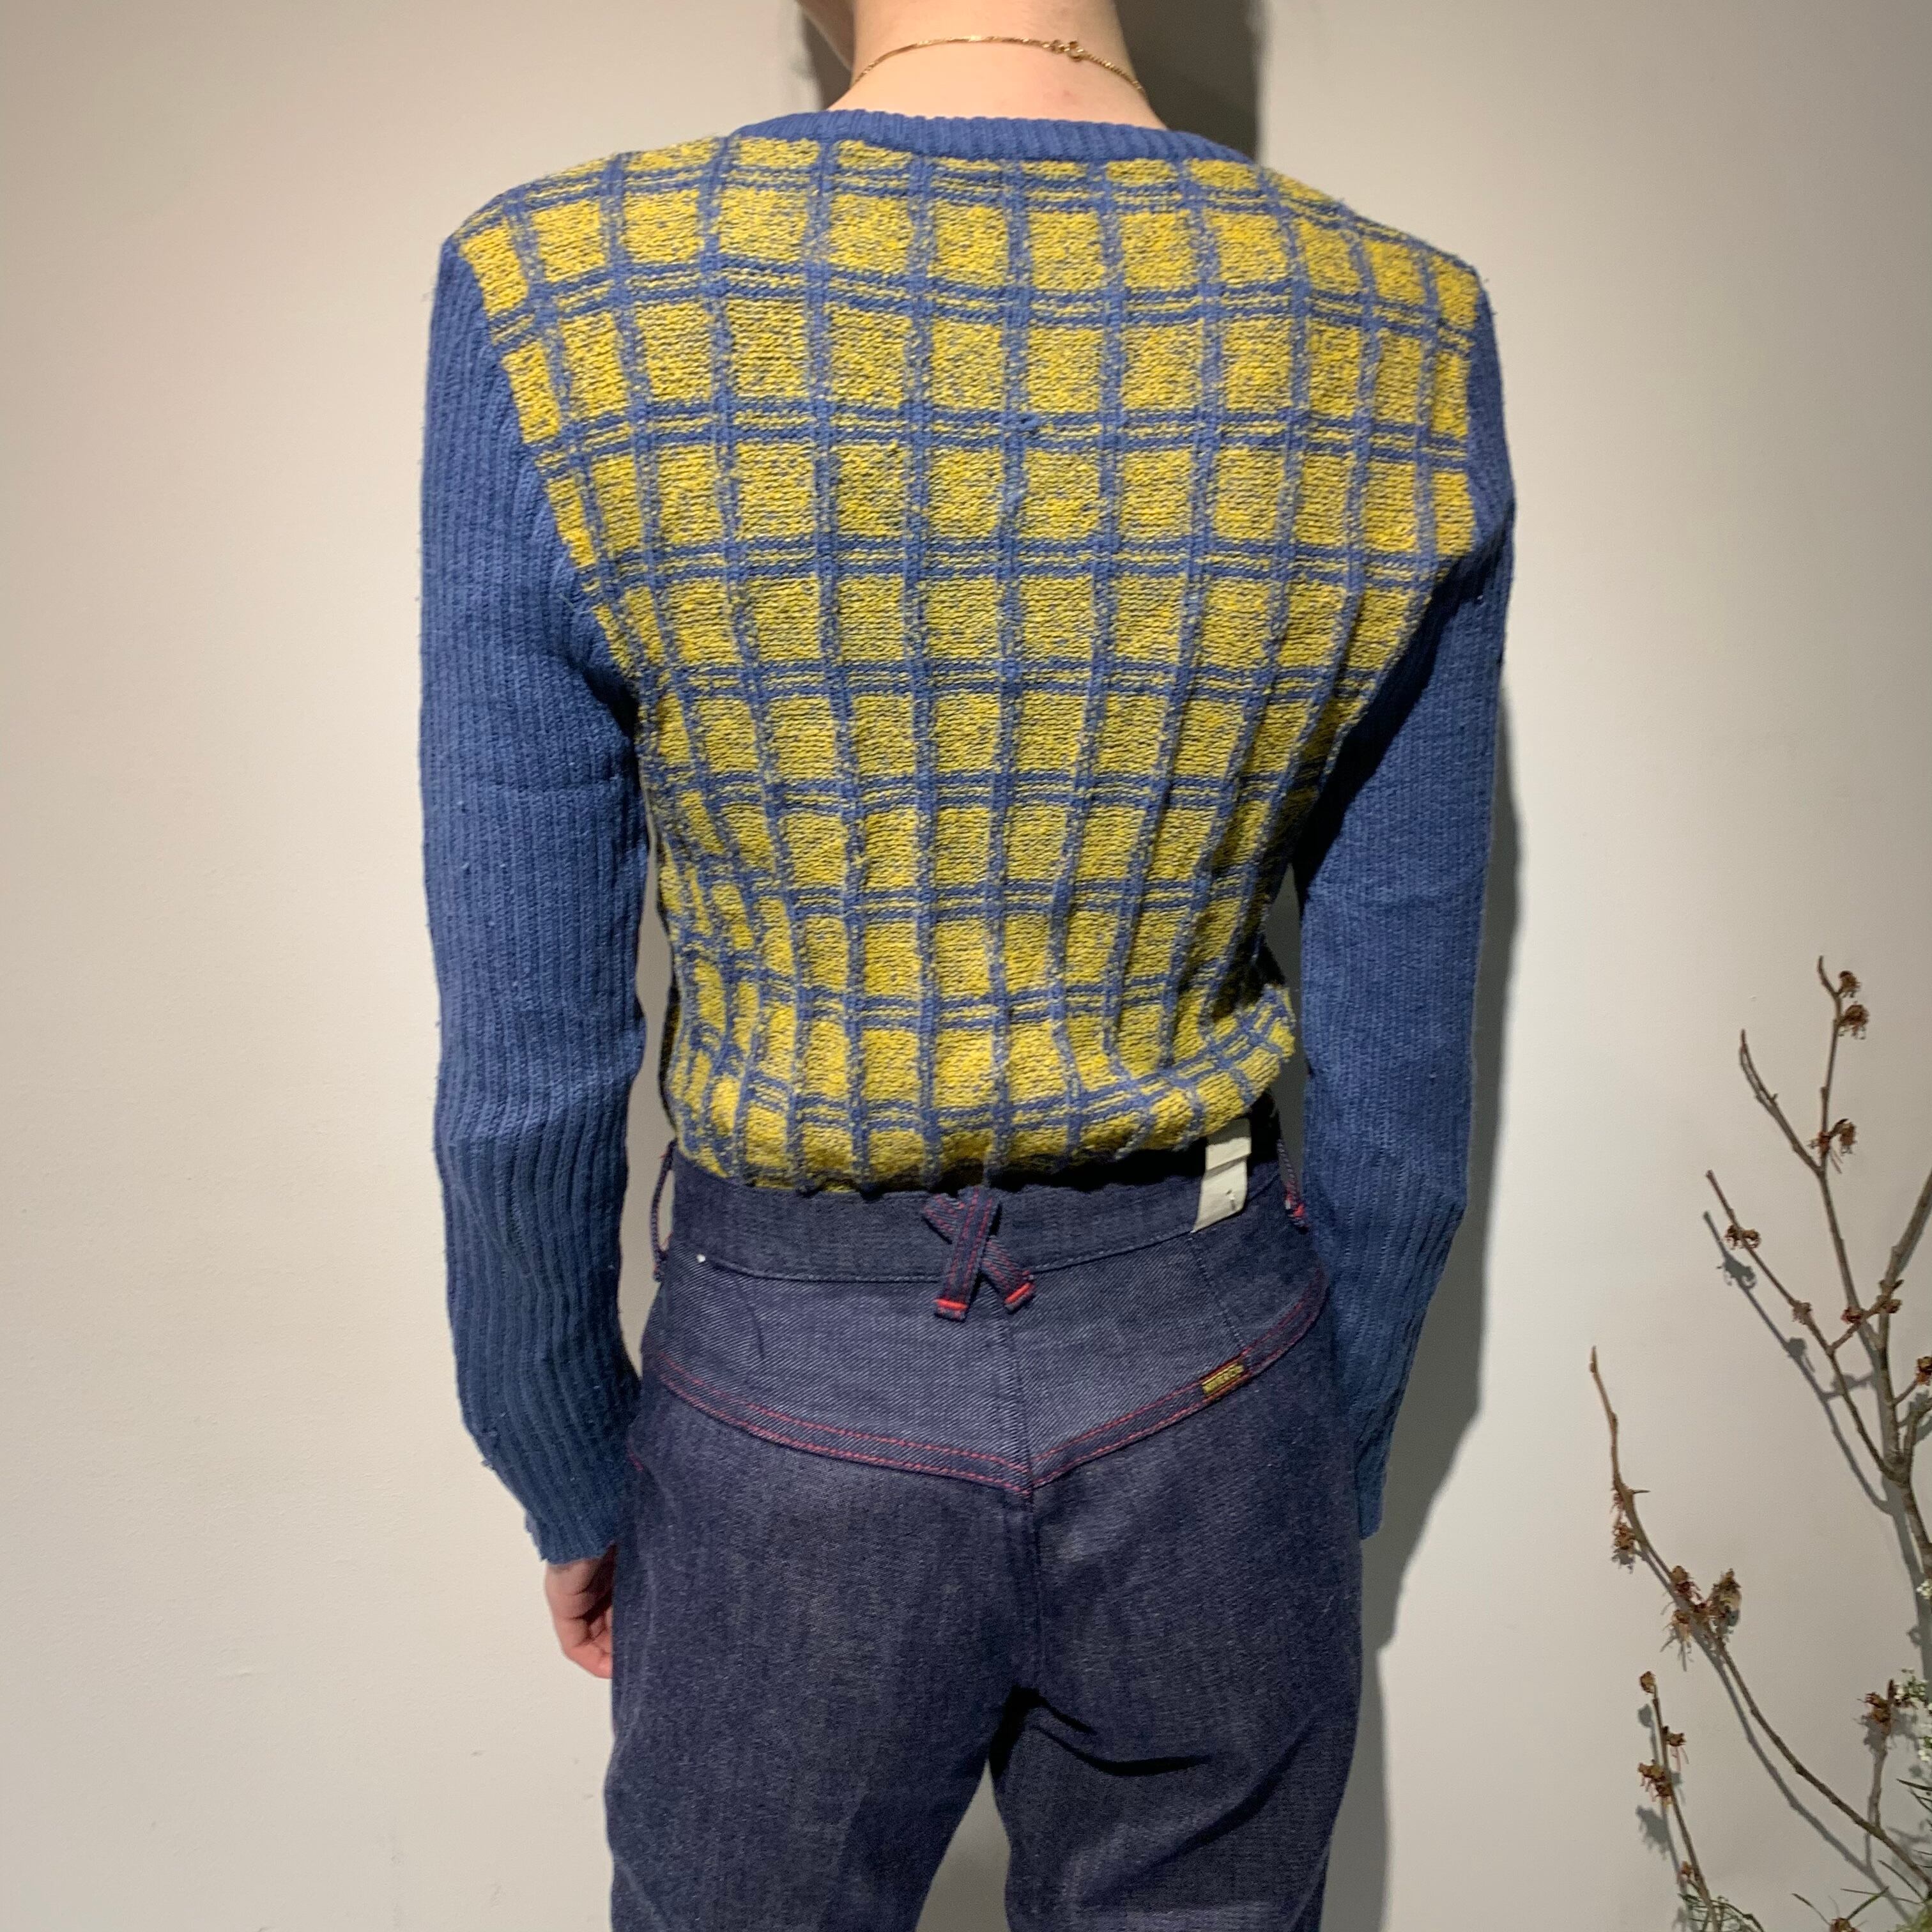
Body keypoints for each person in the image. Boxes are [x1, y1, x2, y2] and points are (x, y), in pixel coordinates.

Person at [417, 0, 1514, 1922]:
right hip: (1214, 1379)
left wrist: (567, 1463)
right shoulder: (1399, 330)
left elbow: (529, 1076)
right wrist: (1303, 1454)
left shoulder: (562, 294)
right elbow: (1403, 1074)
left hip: (782, 1407)